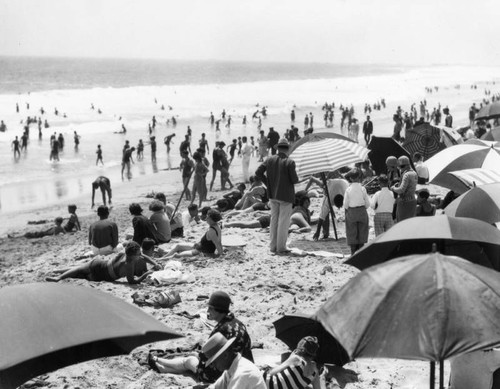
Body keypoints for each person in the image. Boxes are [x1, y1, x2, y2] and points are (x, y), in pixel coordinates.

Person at [149, 291, 256, 385]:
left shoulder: (221, 330)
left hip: (223, 372)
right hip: (244, 365)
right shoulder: (239, 324)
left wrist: (197, 355)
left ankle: (161, 363)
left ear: (217, 310)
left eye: (210, 308)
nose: (207, 310)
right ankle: (162, 364)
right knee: (193, 357)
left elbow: (206, 358)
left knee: (189, 360)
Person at [255, 138, 299, 254]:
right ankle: (281, 247)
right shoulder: (290, 162)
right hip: (286, 195)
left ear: (278, 148)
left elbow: (258, 172)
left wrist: (267, 183)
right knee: (283, 222)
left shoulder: (269, 160)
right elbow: (294, 180)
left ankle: (272, 246)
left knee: (274, 220)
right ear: (287, 149)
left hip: (272, 194)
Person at [45, 241, 162, 284]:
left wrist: (154, 262)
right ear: (133, 256)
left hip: (101, 263)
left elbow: (143, 256)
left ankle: (59, 271)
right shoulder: (129, 265)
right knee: (81, 270)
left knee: (80, 269)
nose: (140, 255)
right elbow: (132, 281)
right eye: (138, 254)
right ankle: (58, 277)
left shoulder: (124, 254)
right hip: (102, 272)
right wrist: (147, 273)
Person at [307, 176, 349, 241]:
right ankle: (325, 233)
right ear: (333, 202)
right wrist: (317, 232)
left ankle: (349, 231)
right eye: (338, 206)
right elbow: (321, 217)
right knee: (325, 213)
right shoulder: (329, 198)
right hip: (331, 184)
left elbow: (350, 211)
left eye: (340, 206)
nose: (339, 208)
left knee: (348, 212)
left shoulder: (347, 195)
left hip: (344, 183)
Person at [343, 169, 370, 254]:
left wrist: (348, 210)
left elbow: (345, 204)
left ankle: (353, 252)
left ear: (350, 178)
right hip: (362, 211)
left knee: (351, 231)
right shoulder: (363, 188)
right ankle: (361, 252)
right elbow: (367, 203)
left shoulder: (348, 189)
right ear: (359, 177)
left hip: (352, 211)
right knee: (362, 231)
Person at [391, 155, 418, 222]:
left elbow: (401, 190)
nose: (400, 168)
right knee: (410, 223)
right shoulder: (414, 173)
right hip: (412, 200)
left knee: (401, 223)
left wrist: (393, 188)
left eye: (401, 166)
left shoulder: (406, 175)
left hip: (404, 202)